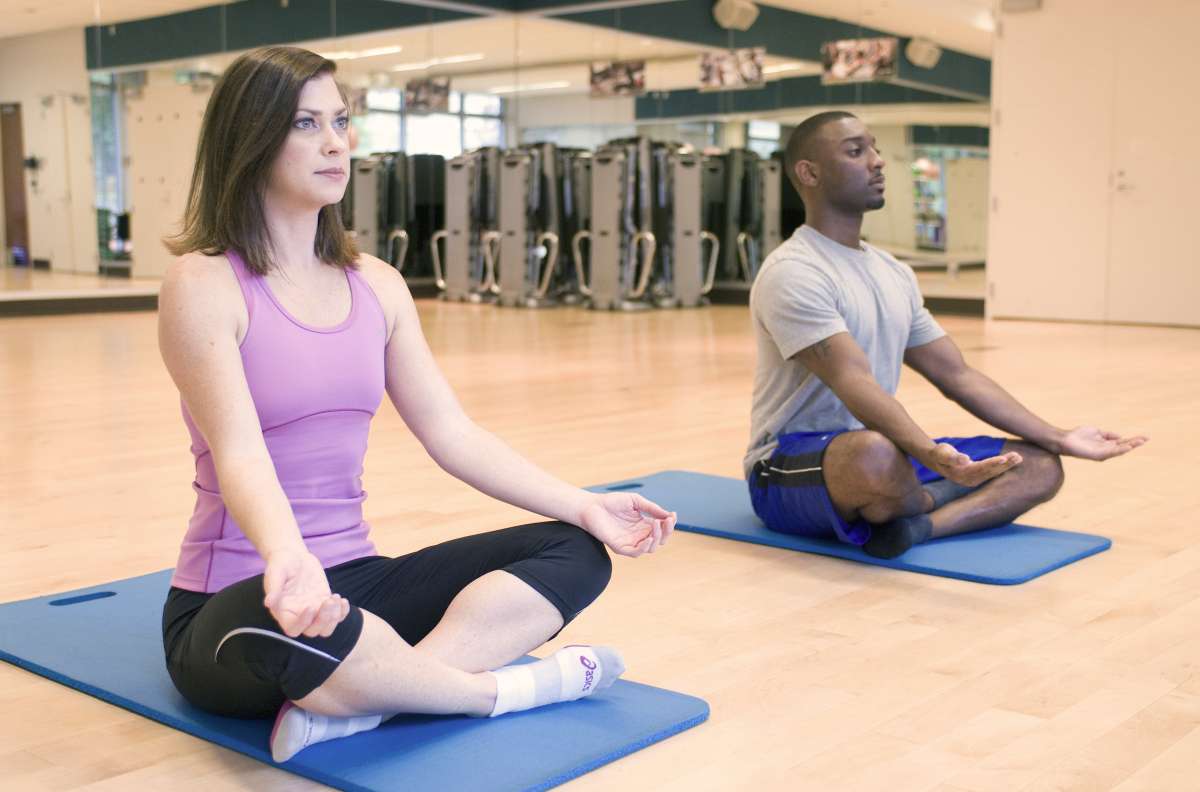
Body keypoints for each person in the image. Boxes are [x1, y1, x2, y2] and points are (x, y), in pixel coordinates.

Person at [157, 46, 676, 764]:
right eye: (306, 124)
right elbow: (239, 451)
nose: (336, 142)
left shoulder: (378, 283)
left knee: (574, 551)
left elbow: (451, 432)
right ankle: (502, 691)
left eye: (340, 121)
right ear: (250, 137)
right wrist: (288, 559)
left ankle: (368, 698)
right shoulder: (203, 282)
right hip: (240, 596)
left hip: (357, 579)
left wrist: (584, 504)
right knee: (295, 629)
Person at [745, 111, 1145, 559]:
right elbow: (852, 382)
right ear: (809, 173)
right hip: (786, 469)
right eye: (856, 151)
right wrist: (931, 454)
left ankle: (918, 527)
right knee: (876, 455)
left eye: (875, 149)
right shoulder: (794, 272)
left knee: (1039, 466)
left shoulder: (892, 273)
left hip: (882, 450)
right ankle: (918, 499)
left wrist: (1059, 436)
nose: (877, 161)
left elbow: (958, 375)